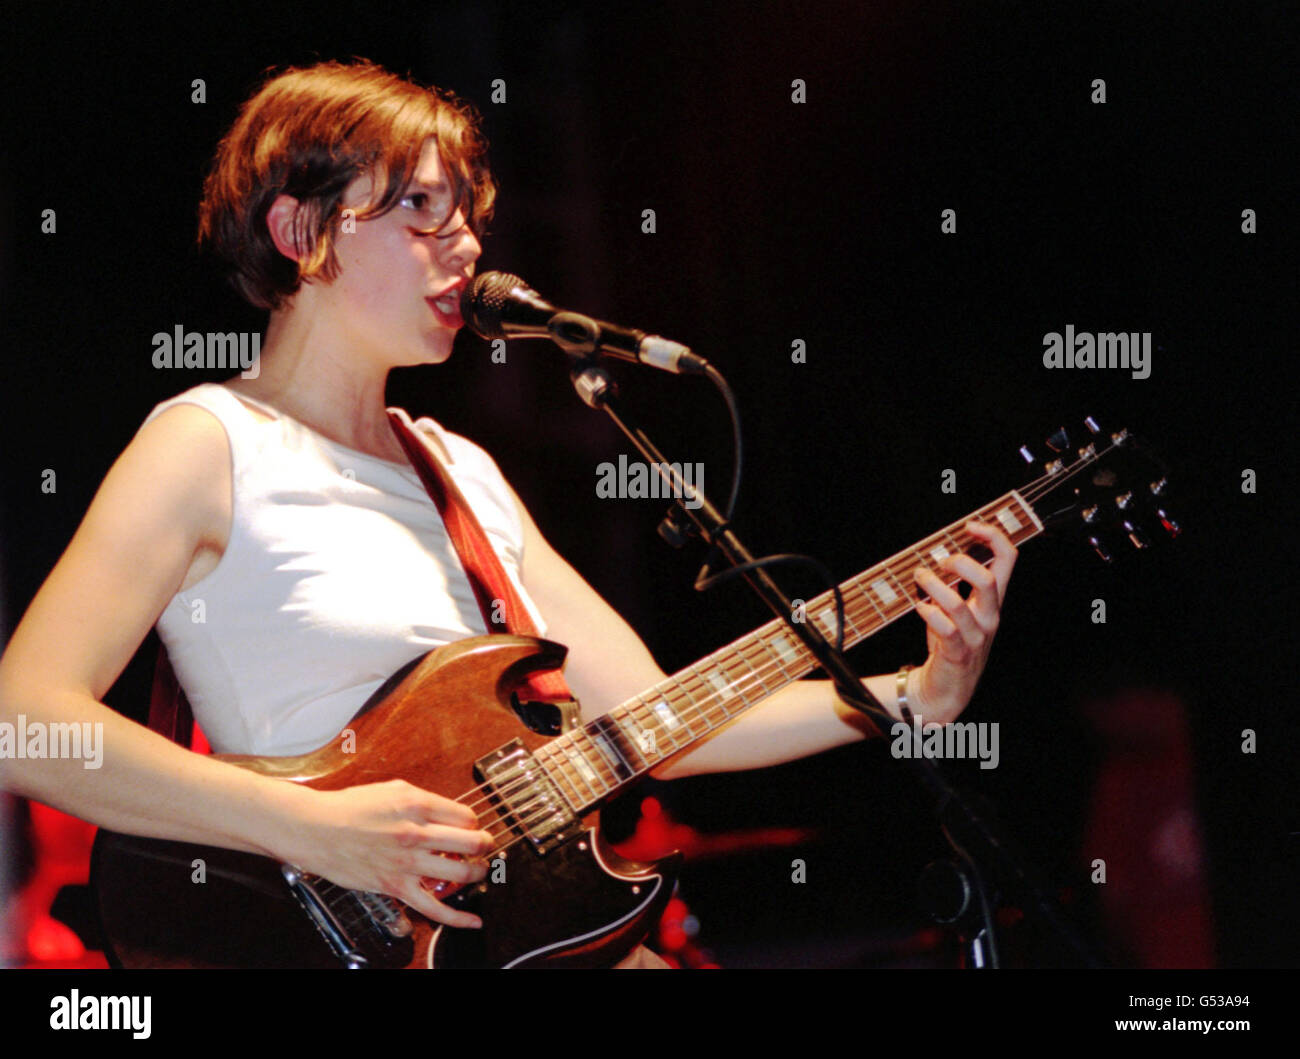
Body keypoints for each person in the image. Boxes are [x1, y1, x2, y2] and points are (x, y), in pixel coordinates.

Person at [0, 60, 1017, 967]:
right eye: (421, 213)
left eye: (467, 213)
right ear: (302, 234)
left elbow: (652, 718)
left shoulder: (458, 470)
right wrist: (310, 828)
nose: (468, 243)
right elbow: (24, 725)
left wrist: (913, 693)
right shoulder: (207, 443)